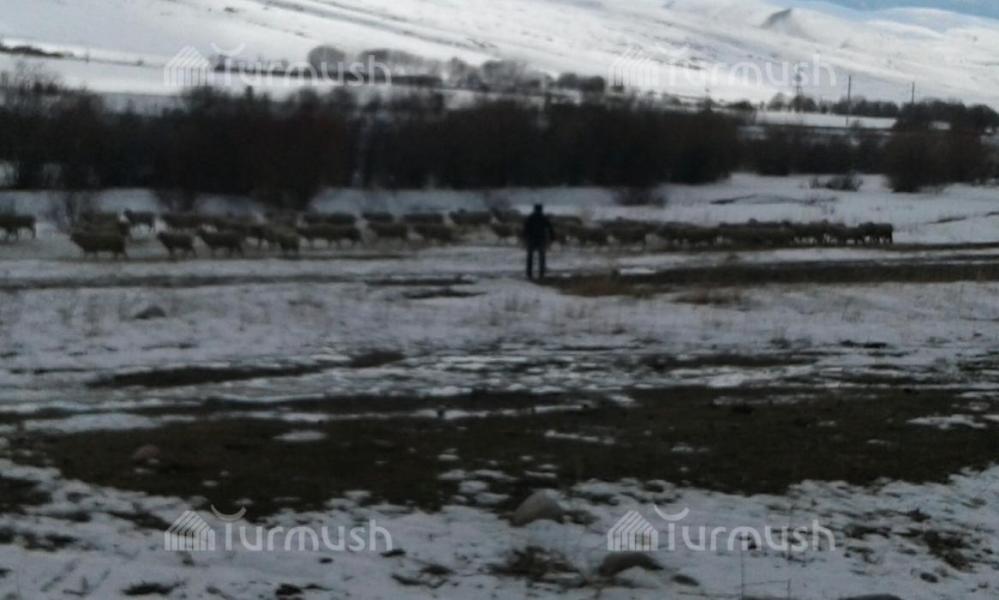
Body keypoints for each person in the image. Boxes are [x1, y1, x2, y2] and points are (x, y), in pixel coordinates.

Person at [523, 204, 555, 280]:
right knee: (542, 257)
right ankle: (541, 274)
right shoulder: (543, 217)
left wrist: (525, 237)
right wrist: (552, 237)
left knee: (530, 257)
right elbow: (550, 227)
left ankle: (529, 273)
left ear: (534, 209)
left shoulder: (530, 217)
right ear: (541, 209)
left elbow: (526, 228)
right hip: (541, 239)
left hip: (531, 239)